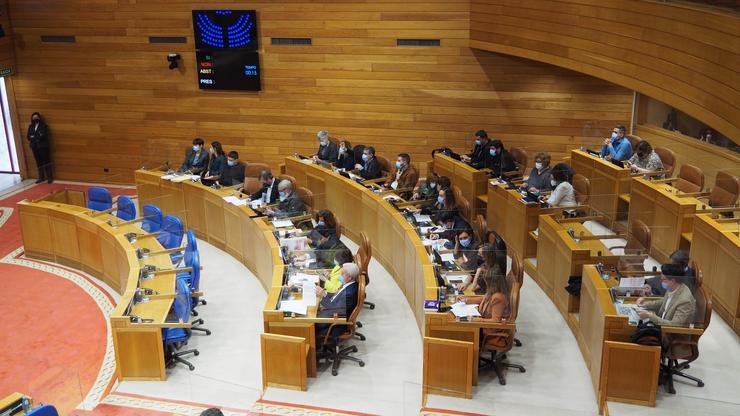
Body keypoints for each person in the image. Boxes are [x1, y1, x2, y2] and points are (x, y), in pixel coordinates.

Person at [457, 266, 510, 348]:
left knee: (460, 330)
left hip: (488, 331)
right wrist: (466, 300)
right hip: (482, 321)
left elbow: (495, 321)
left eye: (487, 282)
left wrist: (476, 320)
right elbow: (483, 299)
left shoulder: (498, 298)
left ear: (493, 283)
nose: (485, 284)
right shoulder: (493, 291)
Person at [636, 263, 696, 327]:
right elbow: (664, 301)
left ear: (672, 281)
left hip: (671, 335)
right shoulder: (673, 287)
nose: (661, 281)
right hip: (661, 324)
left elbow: (675, 325)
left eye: (663, 279)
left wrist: (650, 316)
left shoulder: (685, 300)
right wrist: (645, 305)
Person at [315, 262, 360, 340]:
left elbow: (335, 310)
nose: (339, 276)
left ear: (349, 277)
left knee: (308, 323)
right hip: (332, 312)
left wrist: (323, 296)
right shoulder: (348, 284)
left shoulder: (349, 292)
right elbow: (336, 297)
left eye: (342, 274)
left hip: (336, 323)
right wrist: (325, 293)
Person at [27, 112, 52, 183]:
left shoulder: (44, 126)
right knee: (38, 162)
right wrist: (36, 137)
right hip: (34, 147)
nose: (35, 119)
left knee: (46, 161)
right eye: (34, 117)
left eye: (36, 117)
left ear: (39, 118)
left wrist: (34, 137)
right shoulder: (31, 126)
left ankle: (49, 178)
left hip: (43, 146)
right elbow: (28, 136)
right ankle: (41, 177)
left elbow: (43, 135)